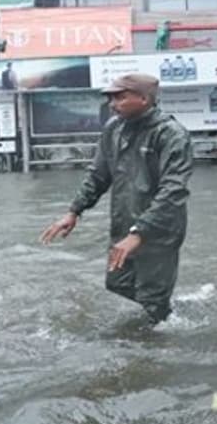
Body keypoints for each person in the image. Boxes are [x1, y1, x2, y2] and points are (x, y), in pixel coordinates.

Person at [40, 73, 193, 324]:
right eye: (111, 98)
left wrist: (139, 233)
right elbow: (98, 175)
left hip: (159, 232)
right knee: (117, 285)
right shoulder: (114, 128)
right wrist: (74, 211)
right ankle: (153, 327)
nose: (113, 104)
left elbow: (173, 191)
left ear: (144, 99)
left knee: (152, 301)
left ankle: (157, 342)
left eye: (120, 97)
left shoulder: (171, 134)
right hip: (123, 223)